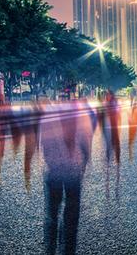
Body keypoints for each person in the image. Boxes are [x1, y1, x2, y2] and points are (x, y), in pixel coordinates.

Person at [41, 99, 94, 255]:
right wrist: (84, 164)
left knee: (52, 211)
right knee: (72, 211)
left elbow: (44, 143)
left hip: (54, 170)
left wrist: (50, 160)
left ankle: (50, 246)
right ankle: (68, 248)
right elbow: (86, 142)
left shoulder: (48, 114)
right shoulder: (81, 114)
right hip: (73, 169)